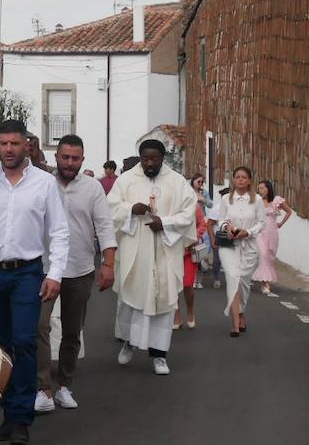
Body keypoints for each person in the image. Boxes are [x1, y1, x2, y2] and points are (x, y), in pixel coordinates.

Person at [0, 120, 69, 445]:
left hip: (27, 272)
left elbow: (59, 232)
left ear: (26, 147)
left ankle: (21, 418)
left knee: (24, 340)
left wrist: (55, 274)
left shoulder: (44, 183)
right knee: (0, 345)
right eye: (3, 143)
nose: (8, 149)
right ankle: (8, 412)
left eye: (14, 144)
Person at [34, 135, 116, 413]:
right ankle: (42, 388)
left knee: (72, 331)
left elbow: (105, 227)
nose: (70, 163)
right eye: (65, 157)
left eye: (75, 158)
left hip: (80, 269)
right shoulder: (42, 183)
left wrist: (108, 265)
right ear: (56, 157)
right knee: (39, 327)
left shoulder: (92, 188)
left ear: (82, 159)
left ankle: (64, 386)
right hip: (44, 269)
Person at [108, 139, 196, 375]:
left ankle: (159, 356)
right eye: (145, 158)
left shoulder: (177, 182)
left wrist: (165, 223)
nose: (150, 163)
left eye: (154, 159)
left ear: (162, 158)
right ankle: (128, 341)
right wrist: (130, 210)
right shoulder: (125, 180)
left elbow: (189, 213)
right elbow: (111, 207)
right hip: (135, 249)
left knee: (164, 301)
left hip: (165, 251)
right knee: (131, 296)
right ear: (140, 157)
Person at [214, 167, 265, 338]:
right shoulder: (225, 199)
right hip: (229, 246)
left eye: (244, 177)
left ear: (250, 180)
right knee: (232, 277)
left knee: (243, 283)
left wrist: (248, 232)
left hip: (249, 246)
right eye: (237, 177)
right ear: (233, 180)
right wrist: (226, 227)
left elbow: (261, 223)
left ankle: (241, 313)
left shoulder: (257, 200)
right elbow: (220, 219)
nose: (241, 180)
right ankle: (235, 323)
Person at [174, 174, 209, 328]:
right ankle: (176, 316)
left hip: (189, 250)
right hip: (172, 250)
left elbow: (202, 224)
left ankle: (190, 310)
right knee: (172, 285)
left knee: (187, 284)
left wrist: (193, 238)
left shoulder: (193, 206)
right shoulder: (169, 206)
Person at [254, 180, 292, 296]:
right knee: (263, 254)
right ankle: (266, 285)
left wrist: (280, 224)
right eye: (259, 188)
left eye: (262, 188)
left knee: (269, 257)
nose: (260, 190)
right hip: (260, 232)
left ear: (268, 189)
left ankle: (265, 281)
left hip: (272, 232)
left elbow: (288, 211)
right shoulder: (257, 201)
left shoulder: (276, 201)